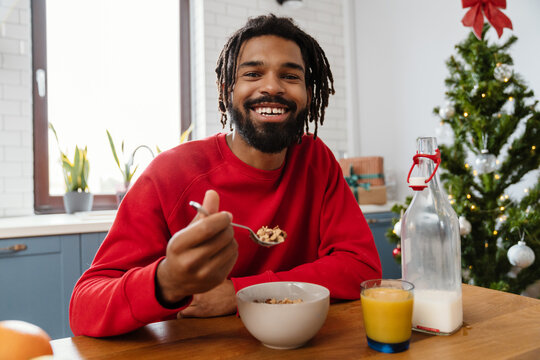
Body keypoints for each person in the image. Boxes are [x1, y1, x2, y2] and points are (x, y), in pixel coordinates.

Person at [70, 14, 382, 337]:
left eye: (290, 76)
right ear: (226, 89)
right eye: (253, 73)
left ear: (308, 93)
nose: (272, 86)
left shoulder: (317, 161)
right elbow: (84, 306)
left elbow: (362, 267)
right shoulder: (169, 174)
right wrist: (167, 282)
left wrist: (239, 292)